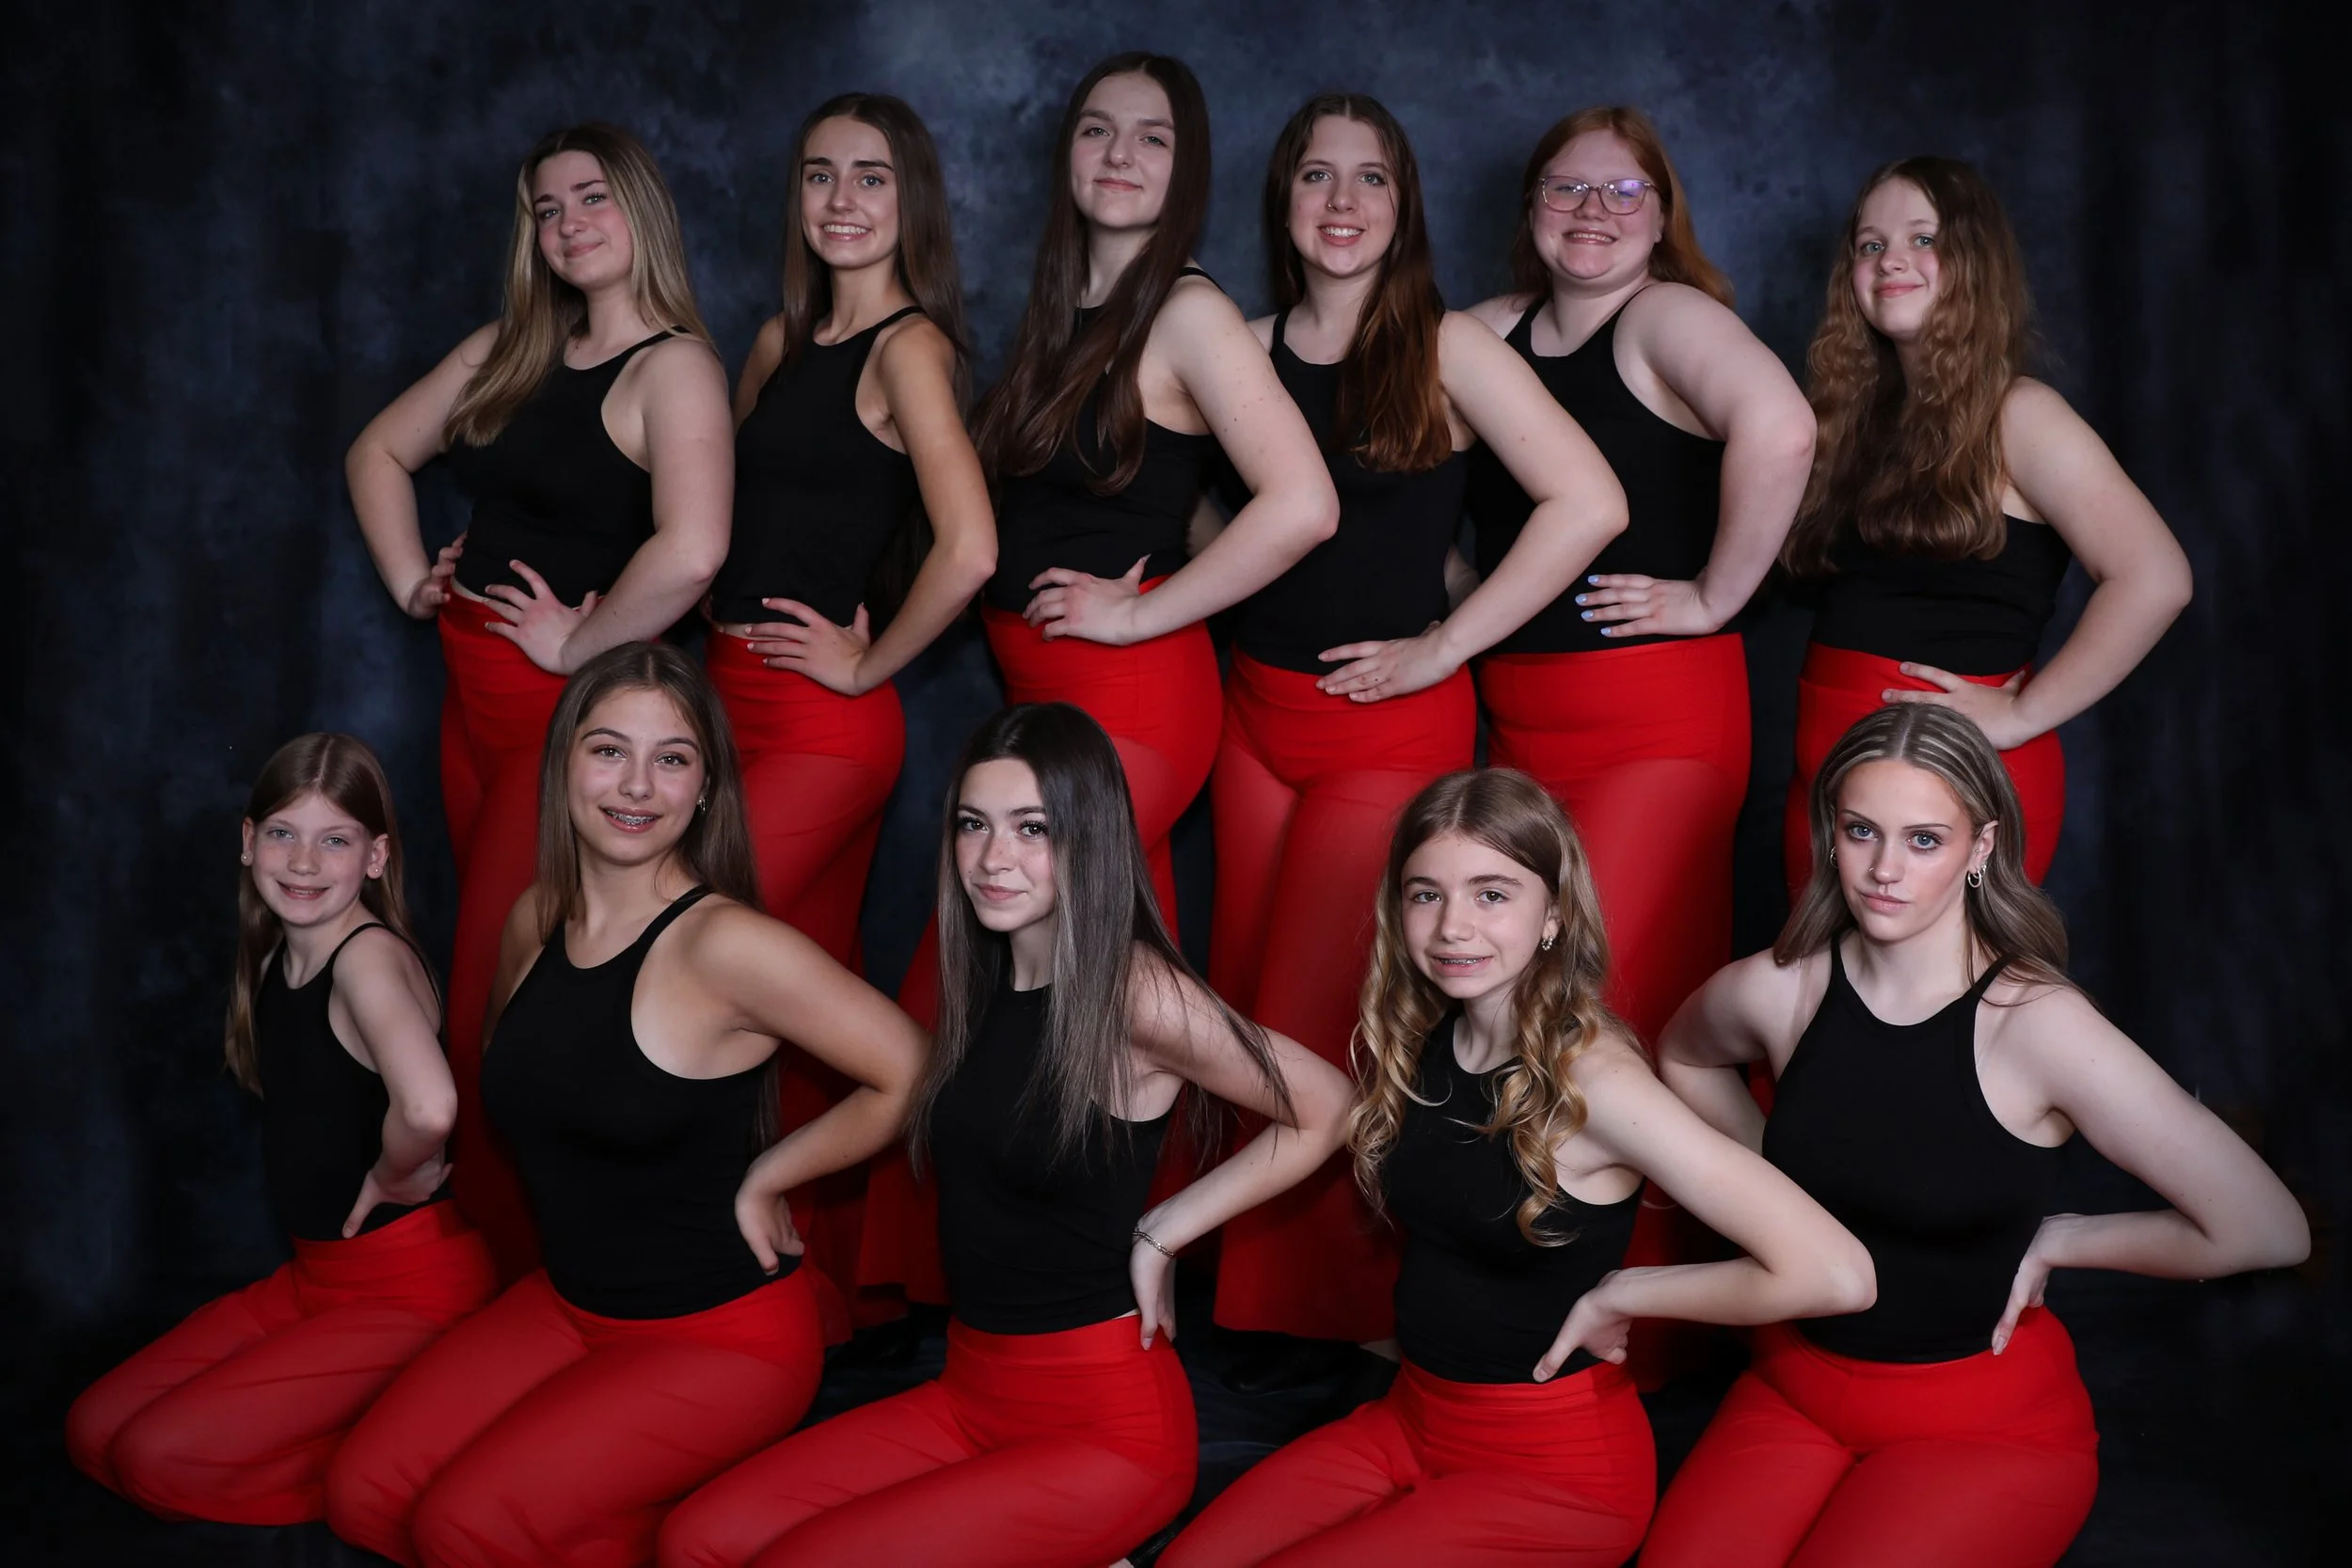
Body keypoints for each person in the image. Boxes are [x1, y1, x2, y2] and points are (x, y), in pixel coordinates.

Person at [658, 704, 1354, 1568]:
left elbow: (1328, 1102)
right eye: (973, 825)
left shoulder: (1134, 992)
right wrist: (766, 1176)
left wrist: (1163, 1233)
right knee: (701, 1539)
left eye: (1035, 828)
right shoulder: (986, 975)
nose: (995, 859)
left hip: (1103, 1426)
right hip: (969, 1391)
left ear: (1088, 837)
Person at [863, 46, 1336, 1307]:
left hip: (1130, 699)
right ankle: (1046, 1277)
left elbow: (1301, 503)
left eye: (1152, 138)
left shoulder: (1187, 309)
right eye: (1095, 132)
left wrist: (1142, 618)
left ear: (1187, 173)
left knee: (997, 971)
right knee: (1053, 1006)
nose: (1119, 157)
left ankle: (1064, 1283)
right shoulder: (1063, 305)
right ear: (1066, 156)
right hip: (1042, 697)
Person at [1644, 704, 2308, 1568]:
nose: (1885, 870)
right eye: (1860, 832)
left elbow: (2270, 1228)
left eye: (1924, 839)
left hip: (1982, 1421)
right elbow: (1683, 1055)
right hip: (1794, 1385)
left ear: (1981, 846)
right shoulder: (1781, 990)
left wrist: (2068, 1236)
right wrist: (1776, 1191)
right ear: (1829, 833)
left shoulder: (2039, 1025)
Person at [1159, 769, 1872, 1567]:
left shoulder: (1596, 1081)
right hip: (1409, 1420)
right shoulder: (1427, 1033)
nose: (1453, 927)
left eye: (1492, 893)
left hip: (1554, 1468)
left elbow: (1836, 1272)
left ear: (1554, 914)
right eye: (1426, 893)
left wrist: (1632, 1291)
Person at [323, 645, 925, 1568]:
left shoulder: (727, 943)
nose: (636, 782)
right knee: (364, 1495)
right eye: (607, 749)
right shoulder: (535, 917)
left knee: (463, 1527)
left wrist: (774, 1171)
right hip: (567, 1307)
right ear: (563, 762)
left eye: (672, 757)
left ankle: (720, 1533)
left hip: (717, 1338)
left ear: (705, 786)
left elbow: (911, 1069)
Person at [1207, 95, 1627, 1377]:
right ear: (1282, 202)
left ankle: (1353, 1324)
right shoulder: (1238, 342)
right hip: (1250, 719)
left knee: (1335, 1011)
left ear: (1404, 206)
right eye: (1317, 176)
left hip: (1386, 728)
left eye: (1371, 179)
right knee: (1240, 1006)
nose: (1343, 201)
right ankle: (1250, 1314)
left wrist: (1447, 645)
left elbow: (1588, 500)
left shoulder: (1442, 344)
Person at [1462, 103, 1820, 1389]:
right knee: (1509, 1008)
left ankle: (1665, 1330)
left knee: (1609, 1015)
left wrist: (1718, 594)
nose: (1594, 213)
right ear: (1530, 205)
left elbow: (1782, 432)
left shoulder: (1670, 318)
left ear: (1663, 212)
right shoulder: (1491, 332)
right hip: (1516, 719)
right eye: (1568, 188)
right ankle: (1534, 1289)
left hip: (1655, 720)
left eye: (1623, 193)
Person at [345, 123, 735, 1276]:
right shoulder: (510, 346)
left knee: (492, 987)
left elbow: (696, 548)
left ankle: (515, 1259)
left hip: (566, 724)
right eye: (547, 208)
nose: (568, 225)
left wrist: (582, 646)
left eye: (591, 199)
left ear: (642, 210)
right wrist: (411, 575)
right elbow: (377, 451)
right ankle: (490, 1252)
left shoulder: (676, 365)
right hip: (467, 699)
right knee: (508, 966)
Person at [705, 92, 993, 1333]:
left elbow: (970, 546)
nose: (841, 200)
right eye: (819, 175)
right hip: (720, 707)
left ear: (909, 199)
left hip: (825, 732)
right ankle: (803, 1296)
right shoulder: (776, 340)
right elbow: (714, 524)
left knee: (694, 957)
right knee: (789, 1024)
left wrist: (867, 670)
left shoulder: (911, 349)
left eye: (870, 178)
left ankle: (723, 1266)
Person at [67, 735, 497, 1525]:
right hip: (312, 1281)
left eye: (334, 839)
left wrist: (395, 1175)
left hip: (408, 1289)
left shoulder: (367, 960)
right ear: (247, 840)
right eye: (282, 834)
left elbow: (430, 1108)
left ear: (375, 857)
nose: (303, 862)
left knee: (155, 1457)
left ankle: (399, 1461)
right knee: (95, 1430)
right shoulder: (275, 955)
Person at [1778, 156, 2192, 897]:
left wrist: (2024, 711)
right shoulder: (1850, 420)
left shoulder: (2020, 413)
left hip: (1951, 780)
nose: (1890, 260)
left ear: (1974, 261)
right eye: (1870, 245)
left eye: (1922, 238)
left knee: (1936, 1011)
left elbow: (2156, 576)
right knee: (1817, 1008)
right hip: (1828, 777)